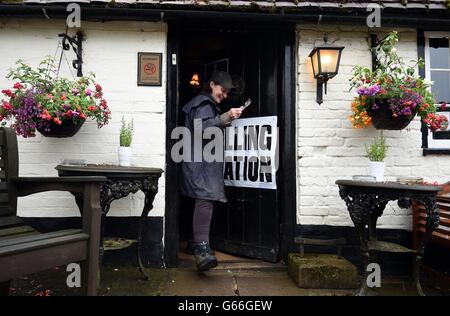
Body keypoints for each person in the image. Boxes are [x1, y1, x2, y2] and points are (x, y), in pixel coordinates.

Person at [180, 71, 242, 271]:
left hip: (198, 163)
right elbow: (202, 129)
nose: (224, 95)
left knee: (199, 201)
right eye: (222, 90)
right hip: (201, 165)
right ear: (212, 85)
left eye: (226, 93)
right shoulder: (204, 104)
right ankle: (202, 252)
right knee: (205, 201)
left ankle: (193, 242)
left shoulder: (202, 104)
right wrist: (226, 116)